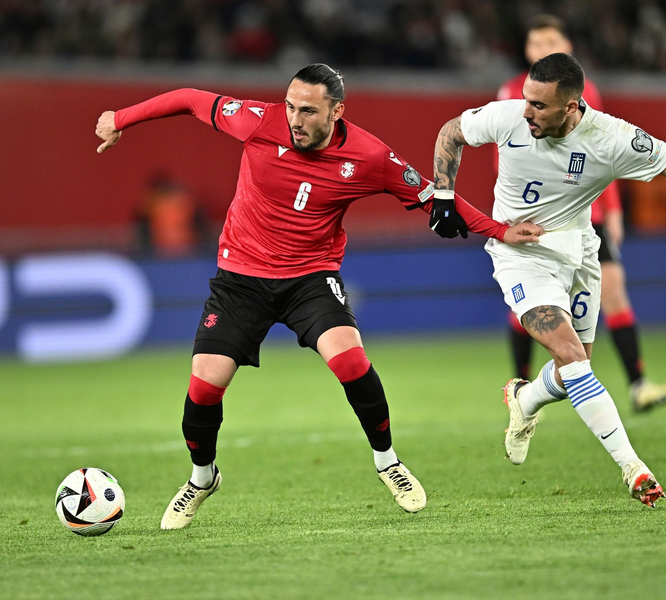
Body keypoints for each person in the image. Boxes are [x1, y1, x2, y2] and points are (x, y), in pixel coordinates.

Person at [95, 64, 540, 529]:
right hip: (240, 279)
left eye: (308, 111)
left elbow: (432, 197)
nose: (295, 119)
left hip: (310, 278)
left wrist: (500, 230)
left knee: (351, 363)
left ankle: (388, 462)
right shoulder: (256, 120)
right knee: (204, 387)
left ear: (336, 111)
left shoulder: (369, 156)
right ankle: (202, 478)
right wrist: (120, 119)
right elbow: (189, 98)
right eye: (291, 106)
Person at [431, 52, 666, 507]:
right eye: (526, 100)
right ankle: (633, 467)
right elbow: (450, 132)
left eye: (539, 105)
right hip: (520, 255)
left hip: (581, 251)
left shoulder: (614, 139)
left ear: (571, 106)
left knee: (574, 368)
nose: (527, 112)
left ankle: (525, 400)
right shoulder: (507, 117)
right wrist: (443, 195)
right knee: (571, 356)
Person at [498, 14, 666, 412]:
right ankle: (520, 388)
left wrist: (612, 210)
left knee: (613, 291)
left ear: (567, 47)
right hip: (538, 217)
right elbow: (505, 159)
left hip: (587, 217)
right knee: (529, 305)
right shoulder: (512, 92)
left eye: (550, 42)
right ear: (526, 50)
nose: (542, 49)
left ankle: (638, 385)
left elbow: (601, 154)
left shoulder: (584, 90)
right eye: (536, 43)